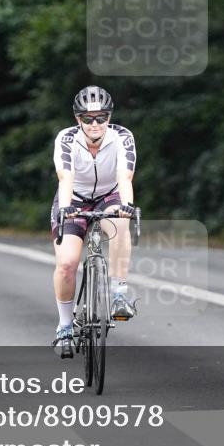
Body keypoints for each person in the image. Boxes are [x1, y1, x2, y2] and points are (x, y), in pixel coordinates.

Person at [50, 86, 137, 359]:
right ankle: (65, 326)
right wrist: (66, 209)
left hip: (109, 195)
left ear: (109, 117)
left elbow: (125, 178)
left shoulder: (122, 137)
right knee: (67, 264)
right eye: (88, 118)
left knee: (120, 224)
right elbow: (65, 178)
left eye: (101, 117)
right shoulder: (66, 139)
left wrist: (128, 206)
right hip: (73, 199)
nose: (95, 123)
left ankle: (119, 294)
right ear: (78, 120)